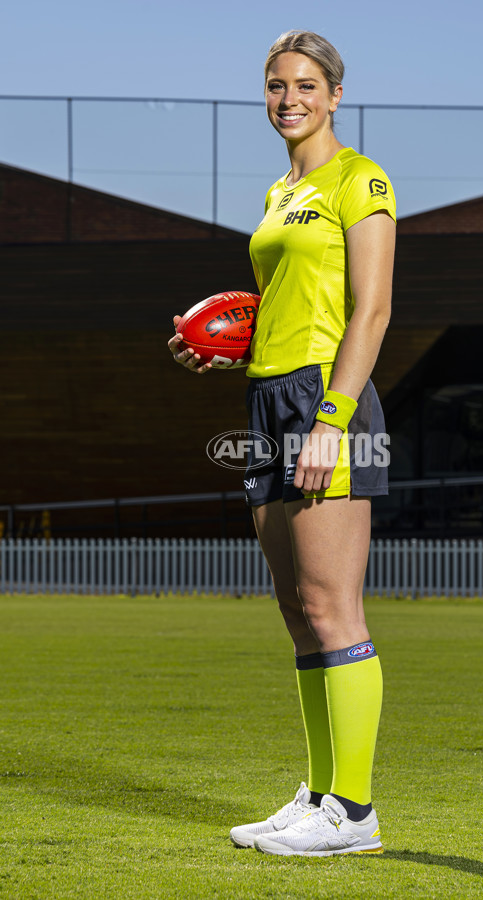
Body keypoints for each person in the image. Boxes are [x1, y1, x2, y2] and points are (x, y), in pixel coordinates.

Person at [168, 30, 396, 857]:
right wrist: (221, 345)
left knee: (335, 606)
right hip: (268, 398)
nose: (288, 97)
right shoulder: (279, 192)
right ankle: (322, 794)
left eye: (304, 84)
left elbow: (370, 310)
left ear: (335, 94)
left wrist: (332, 422)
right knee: (299, 612)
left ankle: (356, 814)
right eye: (274, 85)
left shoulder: (359, 180)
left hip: (329, 401)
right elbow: (281, 304)